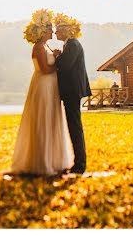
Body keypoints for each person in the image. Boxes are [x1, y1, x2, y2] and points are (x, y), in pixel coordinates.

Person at [10, 9, 73, 176]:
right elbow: (45, 69)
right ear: (42, 32)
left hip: (50, 87)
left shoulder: (45, 46)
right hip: (43, 87)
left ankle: (53, 159)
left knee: (51, 119)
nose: (52, 32)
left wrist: (55, 54)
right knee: (43, 118)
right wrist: (58, 61)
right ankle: (42, 161)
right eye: (50, 30)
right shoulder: (38, 47)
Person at [53, 12, 91, 174]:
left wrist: (56, 56)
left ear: (66, 31)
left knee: (75, 126)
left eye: (58, 31)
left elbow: (65, 66)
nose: (55, 34)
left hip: (72, 91)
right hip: (71, 91)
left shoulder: (73, 45)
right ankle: (78, 162)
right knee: (73, 125)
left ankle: (80, 164)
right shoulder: (70, 45)